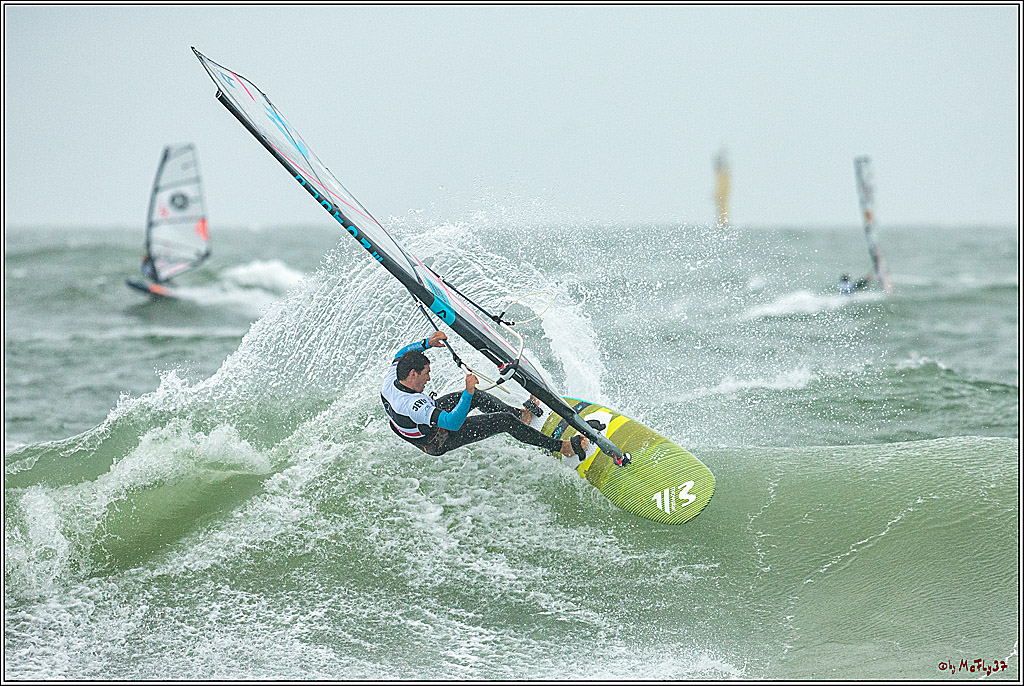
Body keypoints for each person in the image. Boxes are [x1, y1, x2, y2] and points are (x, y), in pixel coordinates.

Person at [381, 331, 589, 459]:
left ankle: (522, 415)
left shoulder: (394, 376)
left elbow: (401, 354)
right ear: (412, 374)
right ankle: (563, 447)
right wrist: (468, 392)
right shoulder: (414, 406)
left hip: (418, 425)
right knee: (504, 421)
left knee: (478, 397)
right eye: (426, 373)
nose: (428, 378)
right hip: (436, 440)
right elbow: (452, 423)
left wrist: (427, 342)